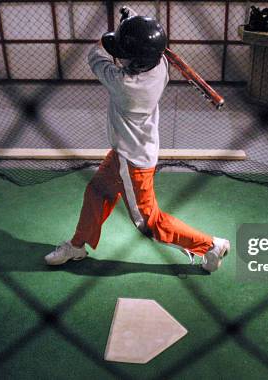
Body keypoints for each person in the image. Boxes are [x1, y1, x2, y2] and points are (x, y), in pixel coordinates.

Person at [44, 13, 229, 272]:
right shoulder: (161, 63)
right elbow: (142, 46)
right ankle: (77, 244)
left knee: (149, 223)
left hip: (132, 162)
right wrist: (133, 29)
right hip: (129, 151)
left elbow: (95, 54)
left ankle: (210, 245)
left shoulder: (126, 85)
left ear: (139, 61)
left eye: (127, 54)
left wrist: (118, 35)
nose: (122, 59)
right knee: (96, 193)